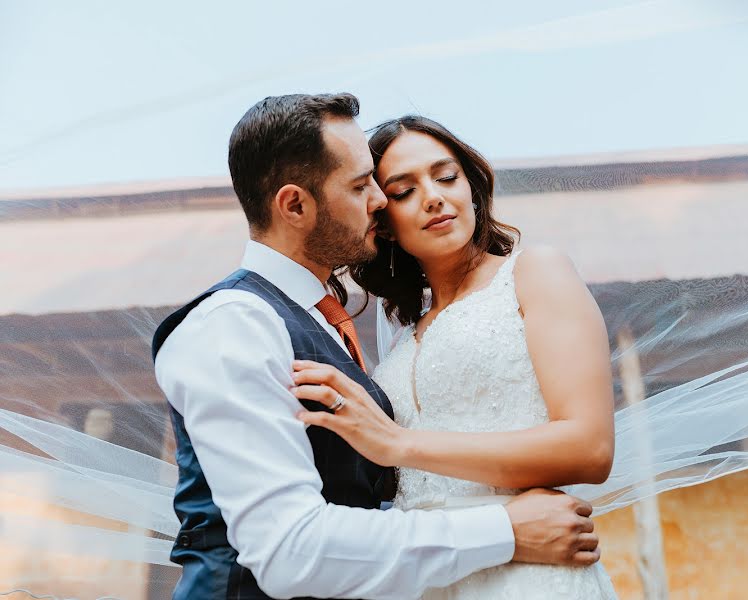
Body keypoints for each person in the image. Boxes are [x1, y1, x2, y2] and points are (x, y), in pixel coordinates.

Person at [152, 94, 602, 600]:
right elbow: (289, 549)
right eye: (366, 186)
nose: (380, 203)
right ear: (295, 205)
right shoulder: (233, 324)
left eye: (446, 176)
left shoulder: (321, 323)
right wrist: (503, 530)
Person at [290, 115, 618, 598]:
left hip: (531, 571)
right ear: (382, 219)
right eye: (403, 191)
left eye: (446, 177)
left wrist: (398, 445)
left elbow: (590, 448)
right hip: (429, 576)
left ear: (472, 187)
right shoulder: (404, 337)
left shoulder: (534, 273)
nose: (434, 197)